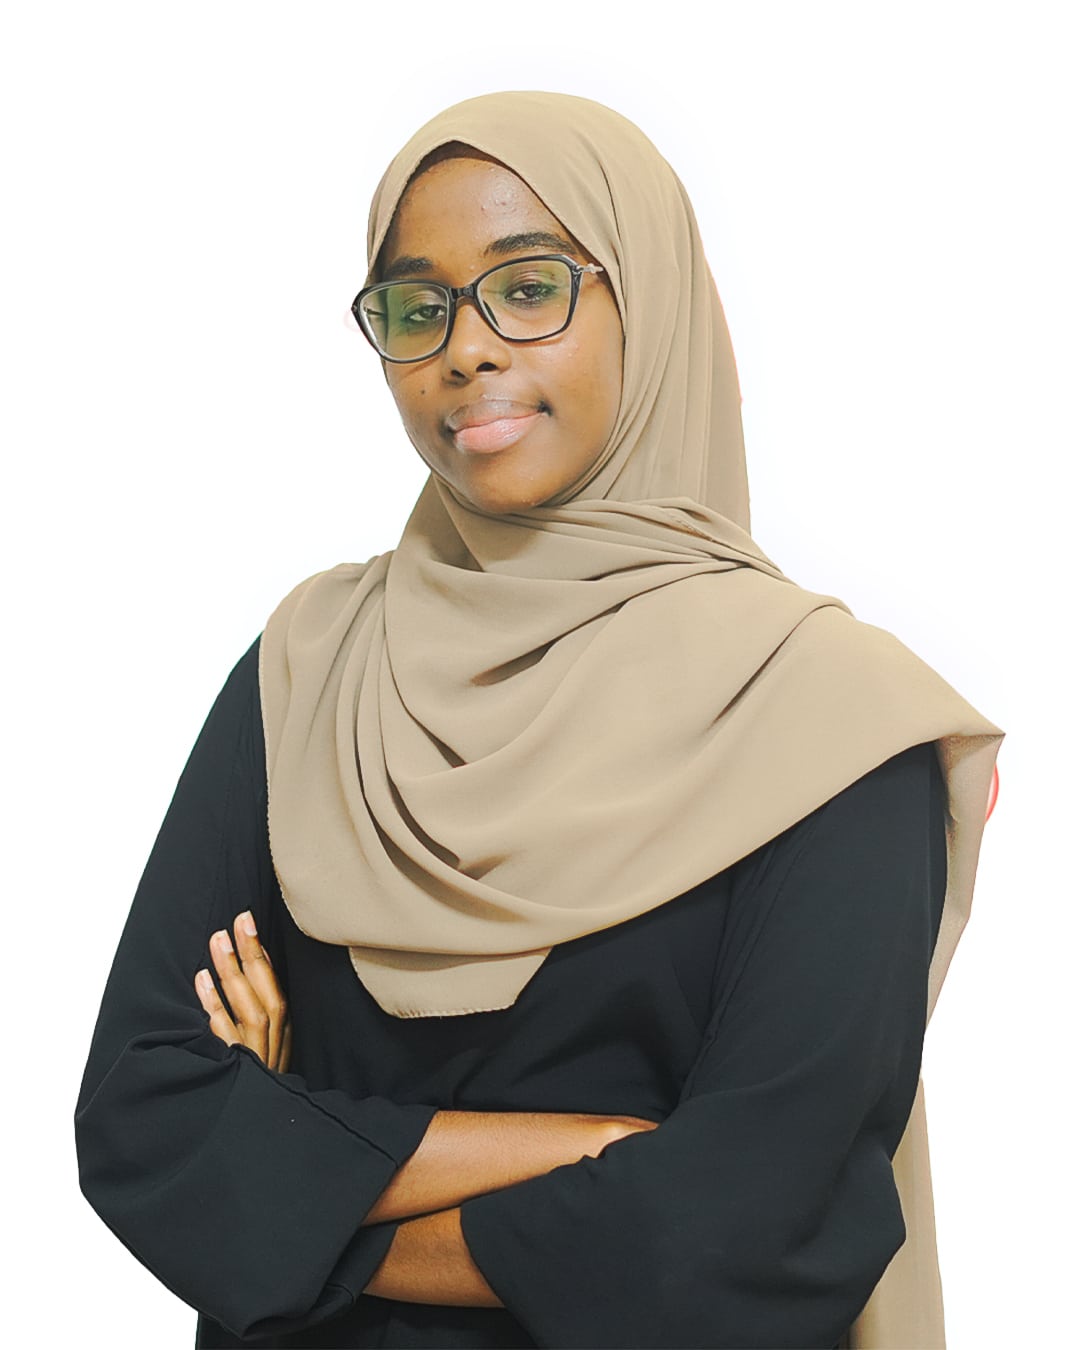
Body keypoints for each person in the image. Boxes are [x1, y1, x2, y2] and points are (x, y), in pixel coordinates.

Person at [75, 92, 1003, 1349]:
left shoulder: (831, 718)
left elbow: (748, 1221)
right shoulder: (311, 670)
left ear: (649, 304)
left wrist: (295, 1184)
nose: (465, 349)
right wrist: (589, 1149)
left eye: (528, 287)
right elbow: (144, 1124)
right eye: (418, 308)